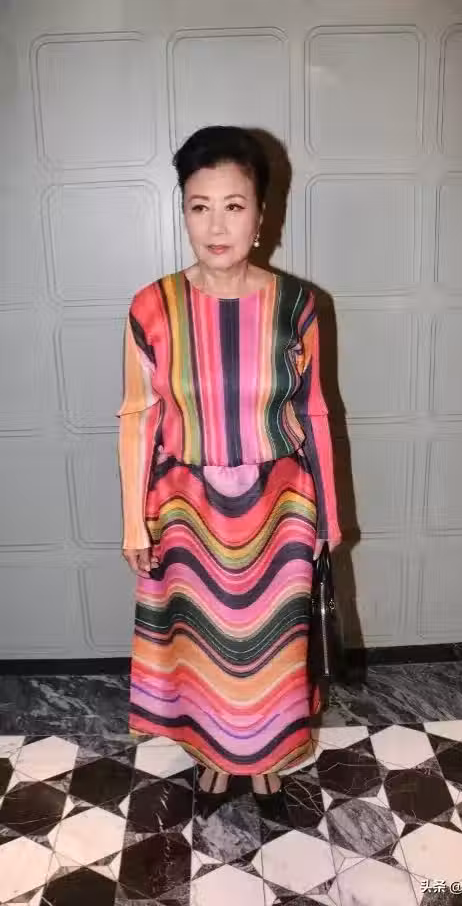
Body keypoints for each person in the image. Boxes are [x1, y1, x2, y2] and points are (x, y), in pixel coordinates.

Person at [117, 125, 341, 803]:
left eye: (234, 205)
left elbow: (316, 413)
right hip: (187, 509)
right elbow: (138, 415)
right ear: (183, 211)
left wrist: (330, 518)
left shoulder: (299, 306)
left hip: (281, 509)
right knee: (205, 651)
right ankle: (213, 753)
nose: (216, 225)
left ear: (262, 214)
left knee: (270, 652)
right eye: (200, 206)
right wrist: (132, 522)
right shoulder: (151, 307)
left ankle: (266, 755)